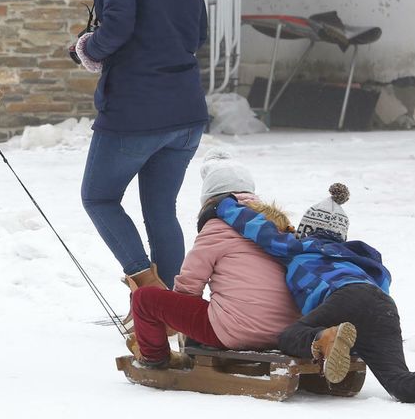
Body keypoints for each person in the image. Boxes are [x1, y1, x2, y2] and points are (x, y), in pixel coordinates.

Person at [214, 184, 415, 410]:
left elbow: (257, 228)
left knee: (289, 337)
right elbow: (377, 292)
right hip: (383, 305)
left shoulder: (299, 247)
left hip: (344, 296)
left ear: (306, 228)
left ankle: (323, 339)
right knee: (397, 380)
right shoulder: (363, 261)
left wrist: (223, 204)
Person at [70, 0, 209, 293]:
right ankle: (174, 312)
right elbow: (199, 34)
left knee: (99, 197)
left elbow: (116, 29)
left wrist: (86, 48)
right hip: (186, 110)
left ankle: (150, 294)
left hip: (135, 109)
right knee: (161, 210)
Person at [127, 155, 300, 365]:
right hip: (287, 332)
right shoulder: (280, 226)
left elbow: (189, 287)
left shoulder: (218, 226)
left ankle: (154, 359)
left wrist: (181, 320)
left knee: (145, 299)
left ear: (210, 199)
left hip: (236, 331)